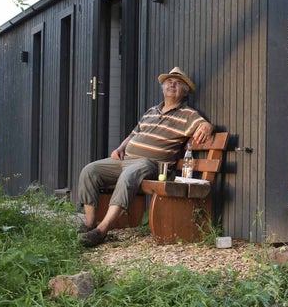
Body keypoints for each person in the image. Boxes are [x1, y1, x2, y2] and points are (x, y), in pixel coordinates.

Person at [77, 67, 213, 247]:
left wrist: (206, 127)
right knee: (90, 170)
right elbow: (134, 134)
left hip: (151, 164)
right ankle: (89, 224)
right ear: (163, 88)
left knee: (128, 176)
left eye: (178, 83)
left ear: (185, 92)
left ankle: (101, 230)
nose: (172, 84)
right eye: (169, 82)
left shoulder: (187, 114)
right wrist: (119, 148)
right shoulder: (151, 111)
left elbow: (204, 125)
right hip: (126, 159)